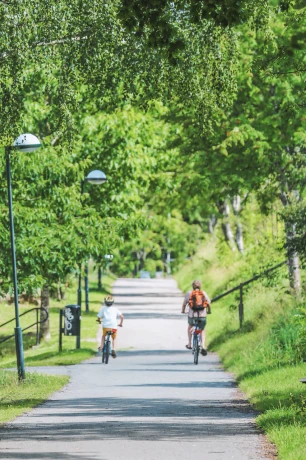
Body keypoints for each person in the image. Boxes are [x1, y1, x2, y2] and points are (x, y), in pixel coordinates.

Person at [181, 280, 211, 356]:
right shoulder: (203, 293)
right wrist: (209, 311)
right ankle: (203, 345)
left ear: (192, 286)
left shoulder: (189, 293)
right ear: (200, 286)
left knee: (190, 326)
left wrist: (183, 311)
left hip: (192, 316)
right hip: (202, 316)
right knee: (202, 330)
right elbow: (208, 303)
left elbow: (184, 304)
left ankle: (189, 344)